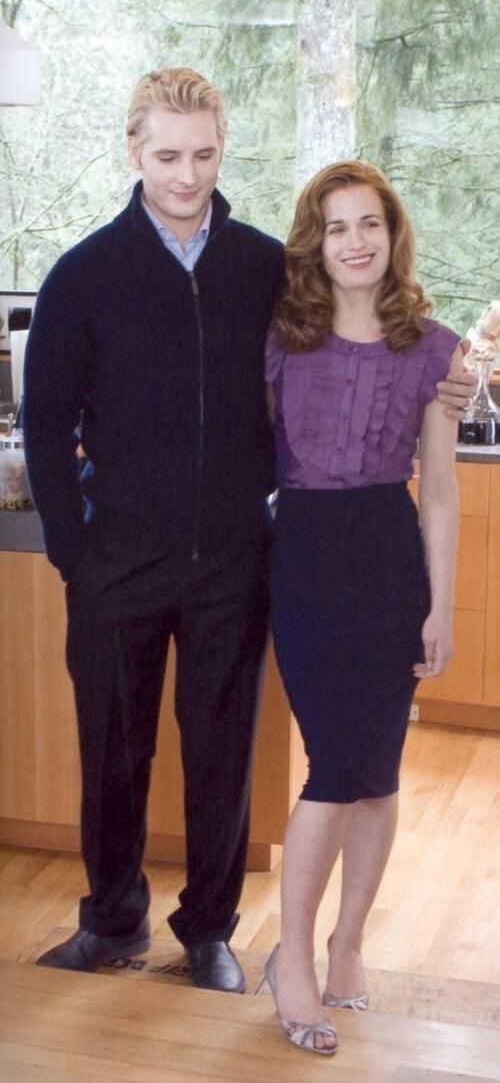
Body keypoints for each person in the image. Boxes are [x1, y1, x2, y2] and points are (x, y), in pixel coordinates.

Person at [23, 68, 473, 995]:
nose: (187, 175)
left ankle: (209, 932)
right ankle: (111, 922)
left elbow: (360, 325)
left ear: (224, 147)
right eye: (167, 155)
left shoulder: (266, 268)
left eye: (205, 154)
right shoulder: (82, 274)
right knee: (114, 748)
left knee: (220, 750)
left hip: (238, 556)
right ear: (133, 152)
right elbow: (45, 420)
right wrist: (77, 553)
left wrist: (446, 380)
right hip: (118, 565)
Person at [263, 159, 463, 1052]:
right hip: (305, 557)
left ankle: (348, 946)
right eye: (337, 226)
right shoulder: (275, 336)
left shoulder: (434, 348)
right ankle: (293, 956)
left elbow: (444, 492)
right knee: (335, 766)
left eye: (369, 225)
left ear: (392, 236)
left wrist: (442, 607)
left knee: (378, 770)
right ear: (317, 239)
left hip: (390, 562)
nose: (354, 241)